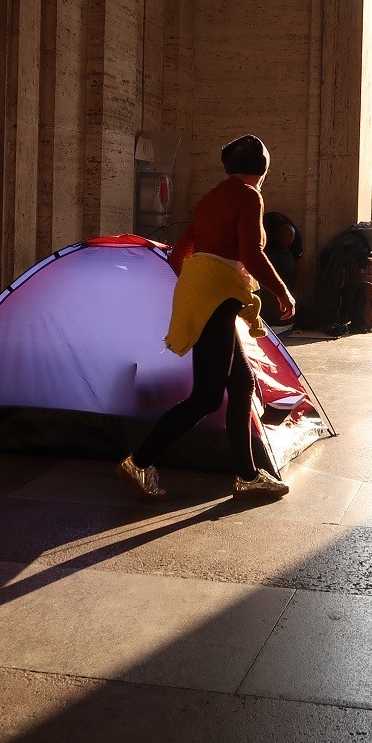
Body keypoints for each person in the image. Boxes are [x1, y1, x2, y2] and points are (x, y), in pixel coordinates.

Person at [119, 135, 294, 500]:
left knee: (242, 384)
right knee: (206, 397)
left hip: (207, 296)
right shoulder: (249, 196)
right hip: (218, 298)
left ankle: (247, 475)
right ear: (262, 169)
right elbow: (253, 252)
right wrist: (281, 291)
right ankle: (140, 460)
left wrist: (200, 282)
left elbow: (178, 254)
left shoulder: (211, 197)